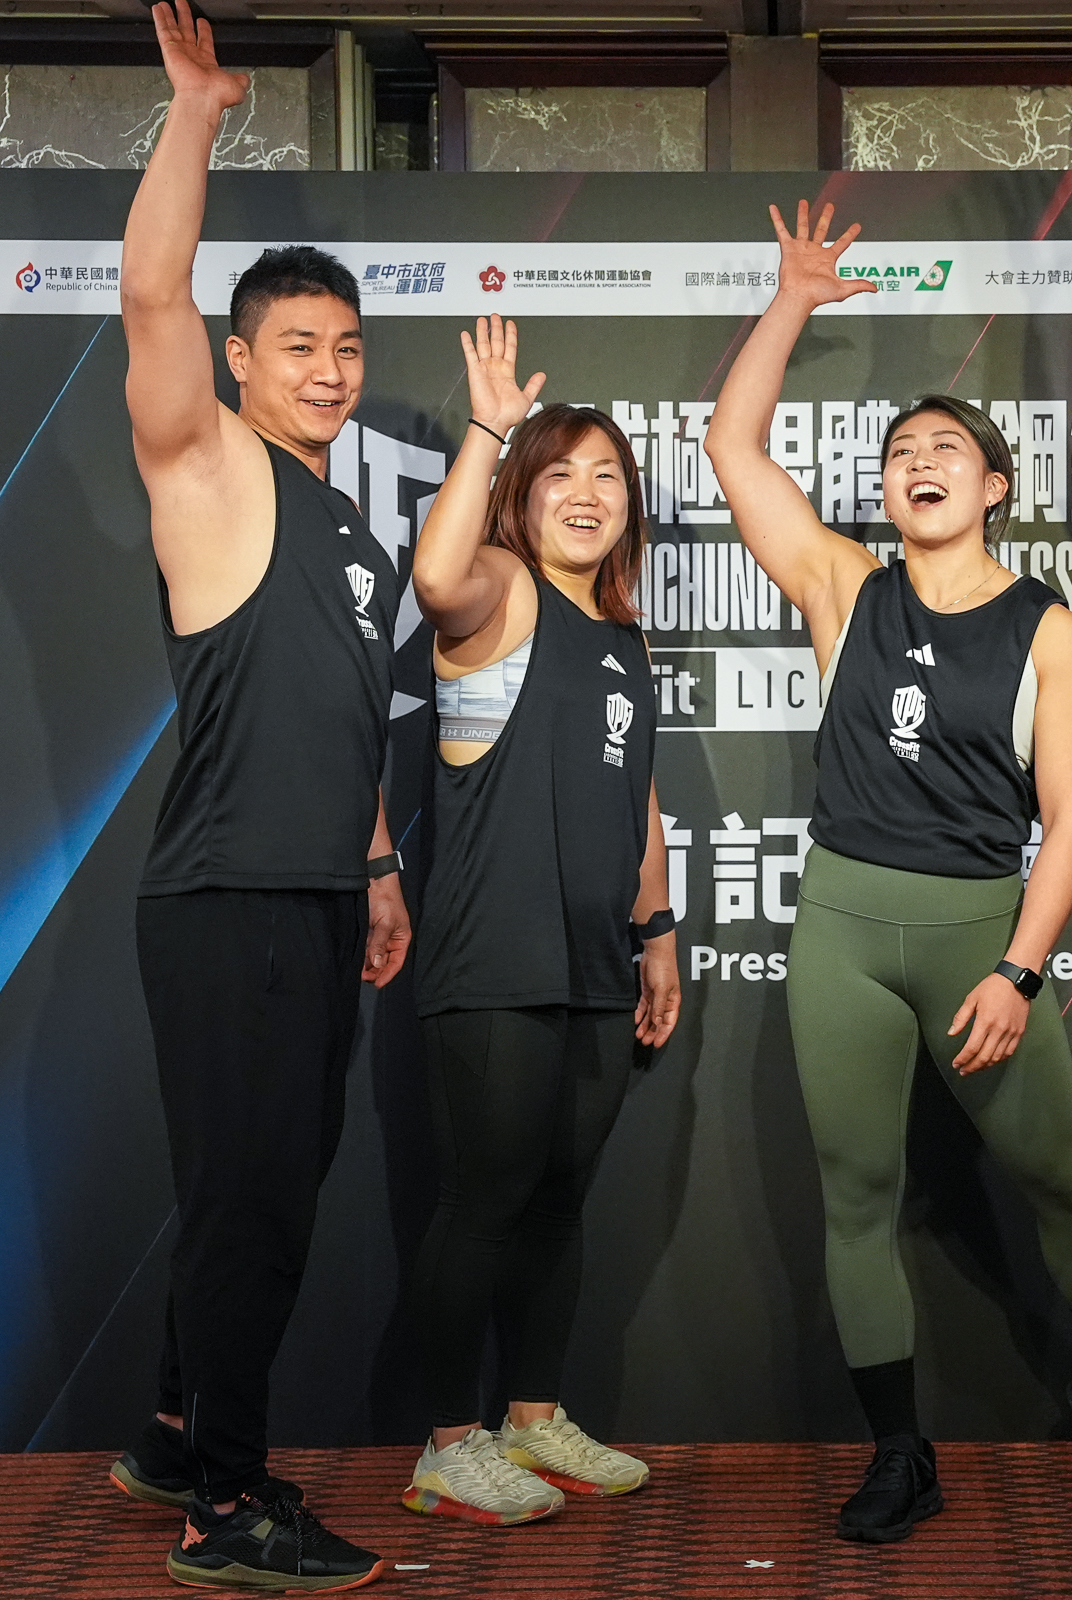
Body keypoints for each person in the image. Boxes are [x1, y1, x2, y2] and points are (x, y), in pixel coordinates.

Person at [703, 202, 1072, 1545]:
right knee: (857, 1199)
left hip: (978, 942)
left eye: (946, 449)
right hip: (842, 932)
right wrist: (791, 299)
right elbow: (732, 446)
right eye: (901, 451)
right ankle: (901, 1454)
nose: (919, 462)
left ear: (995, 487)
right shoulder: (843, 589)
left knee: (1062, 1180)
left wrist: (1018, 971)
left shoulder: (1048, 630)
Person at [101, 3, 407, 1590]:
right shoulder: (211, 470)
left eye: (347, 349)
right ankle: (227, 1507)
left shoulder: (350, 530)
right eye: (300, 347)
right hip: (230, 898)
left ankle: (171, 1432)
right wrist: (197, 117)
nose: (331, 371)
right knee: (253, 1212)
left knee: (254, 1192)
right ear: (239, 361)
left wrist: (378, 868)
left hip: (314, 892)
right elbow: (150, 290)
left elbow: (345, 722)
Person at [397, 316, 682, 1526]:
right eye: (560, 472)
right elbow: (434, 578)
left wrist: (657, 933)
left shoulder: (621, 638)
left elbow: (640, 800)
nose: (587, 493)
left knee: (560, 1195)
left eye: (608, 475)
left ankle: (532, 1414)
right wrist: (487, 430)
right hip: (495, 958)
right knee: (488, 1198)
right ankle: (444, 1443)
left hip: (594, 964)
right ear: (521, 494)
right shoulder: (503, 595)